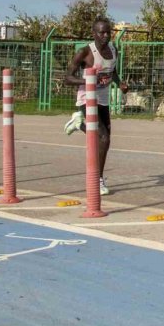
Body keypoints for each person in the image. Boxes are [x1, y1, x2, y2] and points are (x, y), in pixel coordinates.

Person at [63, 18, 128, 195]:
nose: (105, 36)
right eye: (101, 32)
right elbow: (67, 78)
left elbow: (111, 70)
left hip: (103, 98)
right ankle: (97, 179)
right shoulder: (85, 52)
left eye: (108, 32)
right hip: (87, 98)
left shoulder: (114, 49)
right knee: (103, 138)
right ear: (94, 33)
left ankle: (79, 124)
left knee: (106, 141)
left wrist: (120, 83)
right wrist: (89, 80)